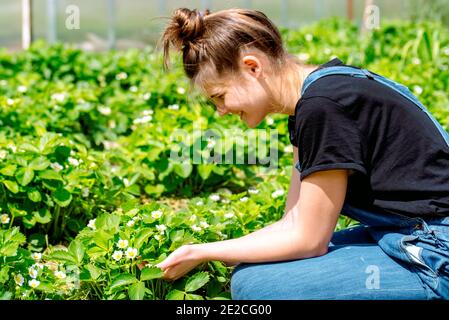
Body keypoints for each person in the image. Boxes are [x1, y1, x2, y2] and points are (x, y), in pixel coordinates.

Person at [155, 7, 449, 300]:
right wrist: (216, 251)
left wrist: (205, 251)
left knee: (259, 287)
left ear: (252, 67)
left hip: (436, 250)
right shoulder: (317, 94)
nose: (221, 111)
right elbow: (294, 223)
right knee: (252, 273)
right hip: (404, 232)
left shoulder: (322, 105)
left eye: (219, 96)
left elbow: (309, 241)